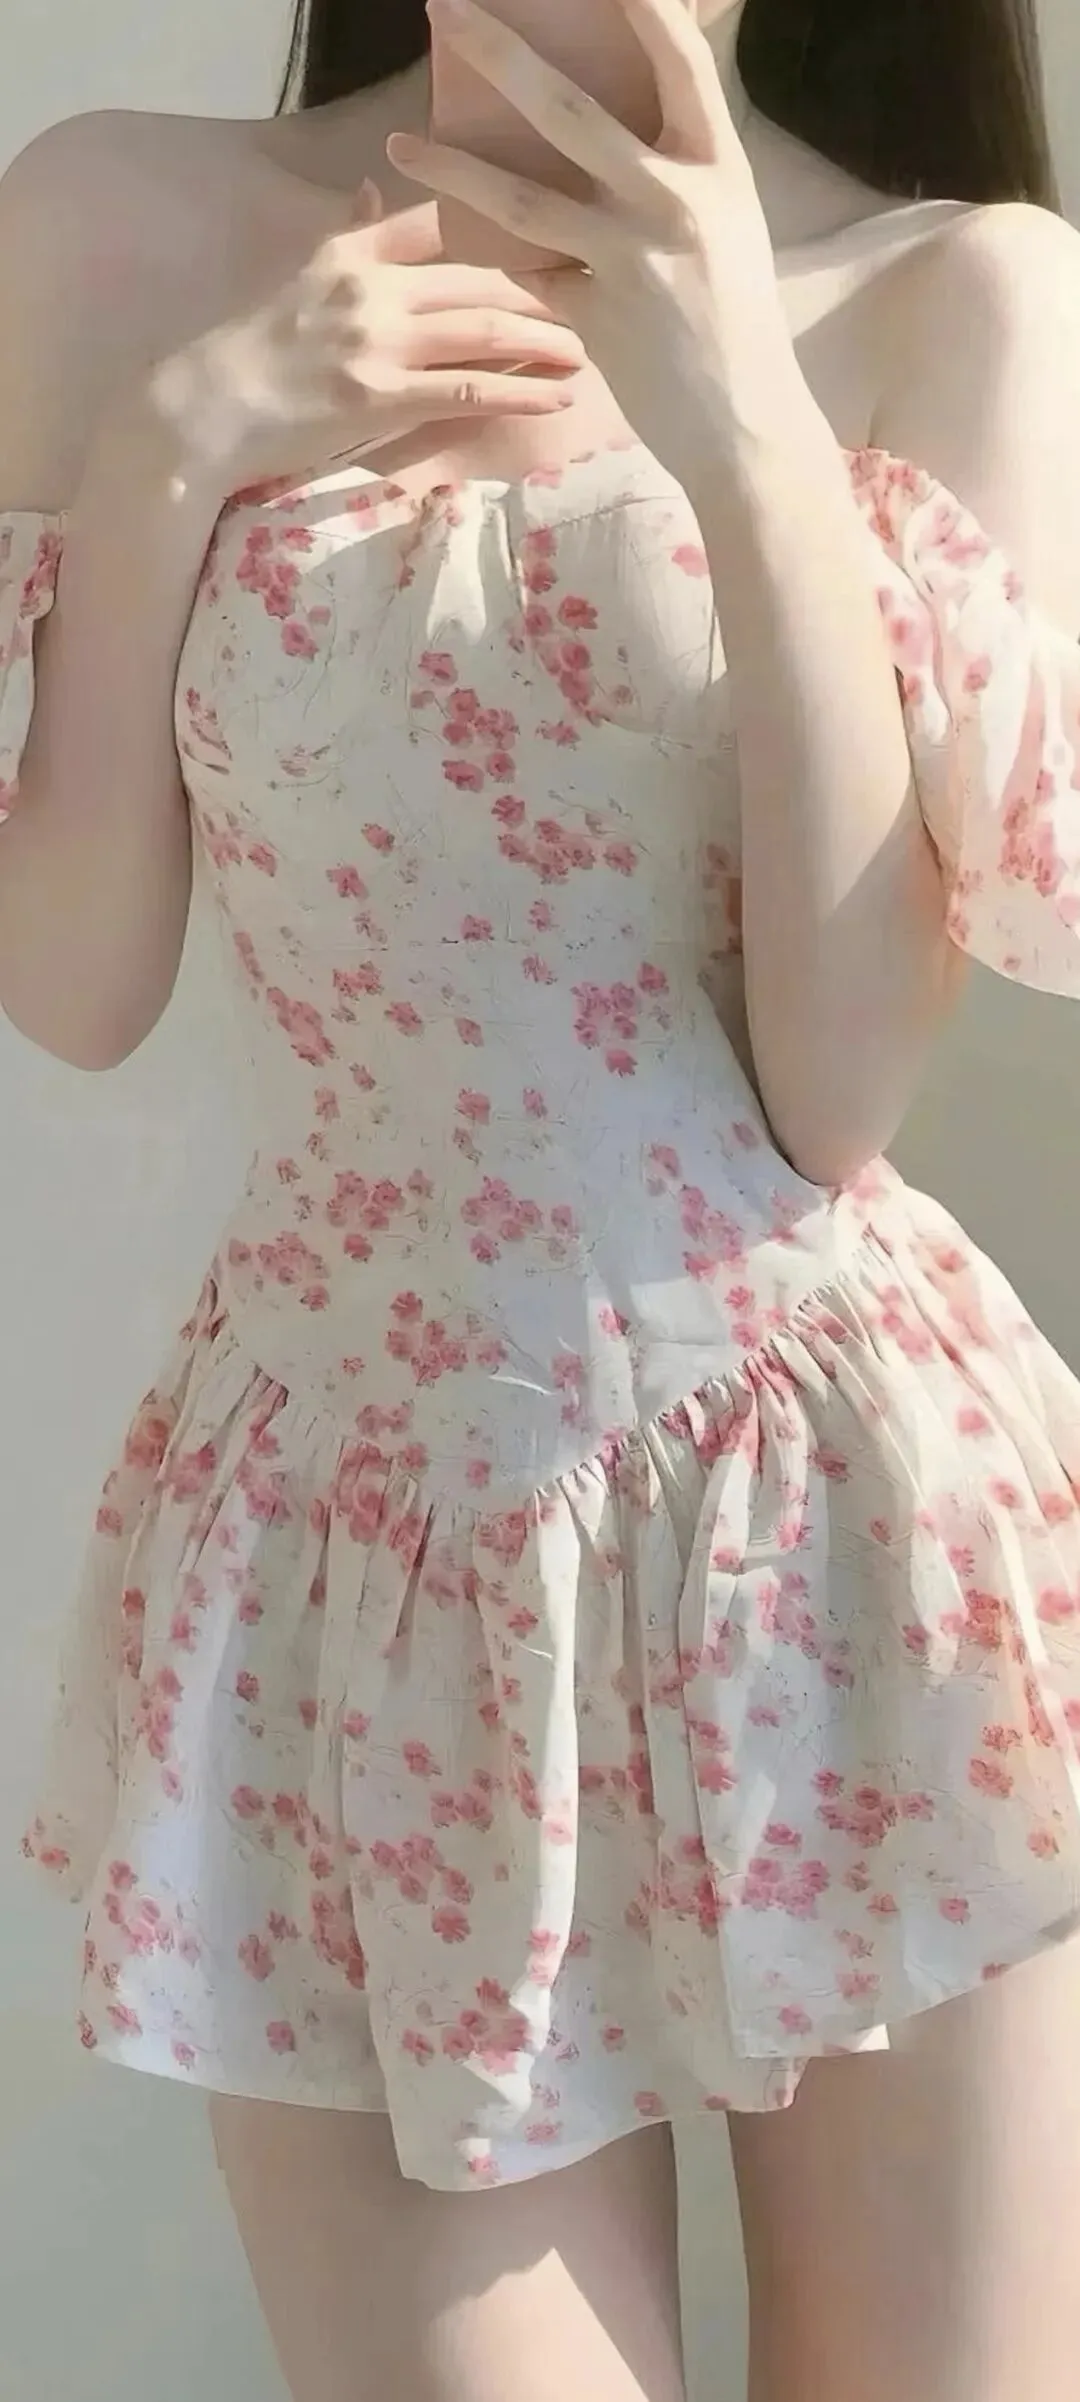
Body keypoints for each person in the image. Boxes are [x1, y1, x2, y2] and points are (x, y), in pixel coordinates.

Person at [4, 0, 1080, 2394]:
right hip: (349, 1555)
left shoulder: (956, 290)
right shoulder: (115, 228)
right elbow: (73, 981)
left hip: (847, 1540)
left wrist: (740, 412)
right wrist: (184, 441)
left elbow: (832, 1086)